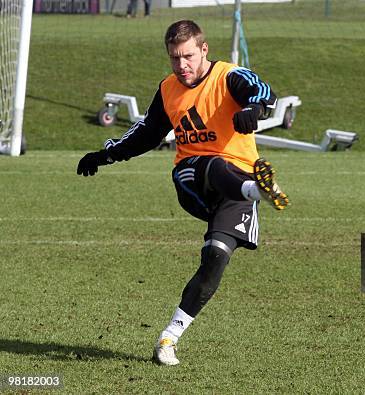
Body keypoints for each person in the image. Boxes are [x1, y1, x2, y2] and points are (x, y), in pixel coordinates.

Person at [77, 19, 289, 366]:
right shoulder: (168, 90)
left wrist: (253, 109)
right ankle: (258, 189)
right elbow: (146, 134)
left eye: (188, 56)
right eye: (174, 58)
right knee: (213, 164)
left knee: (215, 260)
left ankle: (168, 338)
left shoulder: (228, 76)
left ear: (204, 49)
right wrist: (104, 155)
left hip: (235, 190)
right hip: (192, 180)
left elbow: (262, 91)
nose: (182, 65)